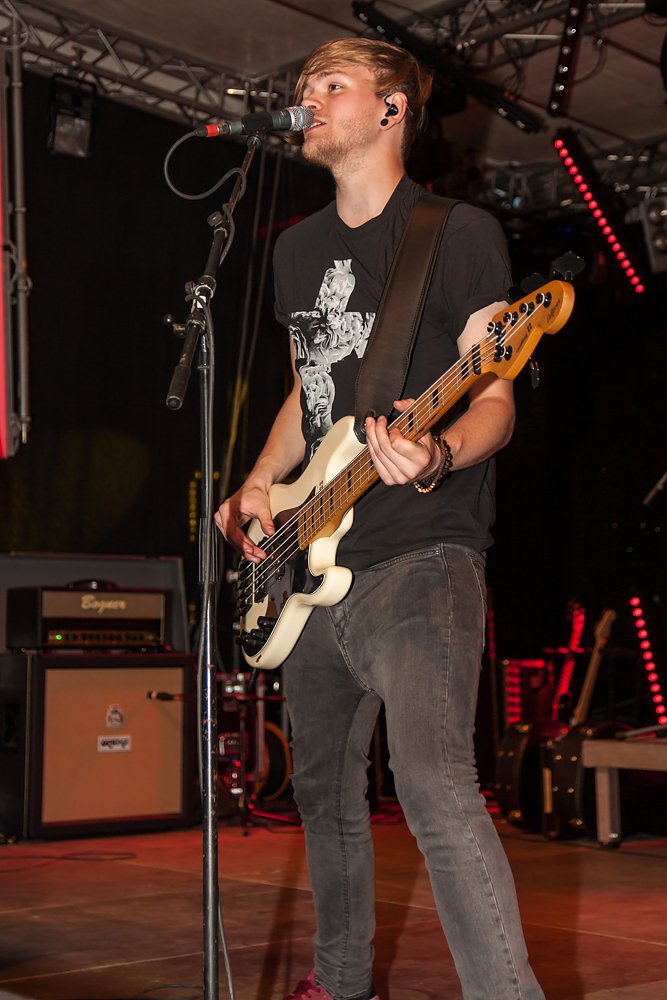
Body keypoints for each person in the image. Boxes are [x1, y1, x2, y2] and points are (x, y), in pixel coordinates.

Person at [215, 36, 544, 1000]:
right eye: (303, 85)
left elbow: (494, 397)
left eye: (331, 84)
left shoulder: (456, 232)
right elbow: (310, 389)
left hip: (421, 554)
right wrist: (260, 483)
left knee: (434, 785)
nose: (308, 99)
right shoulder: (292, 250)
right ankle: (340, 982)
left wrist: (438, 453)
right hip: (309, 565)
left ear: (393, 107)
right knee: (322, 798)